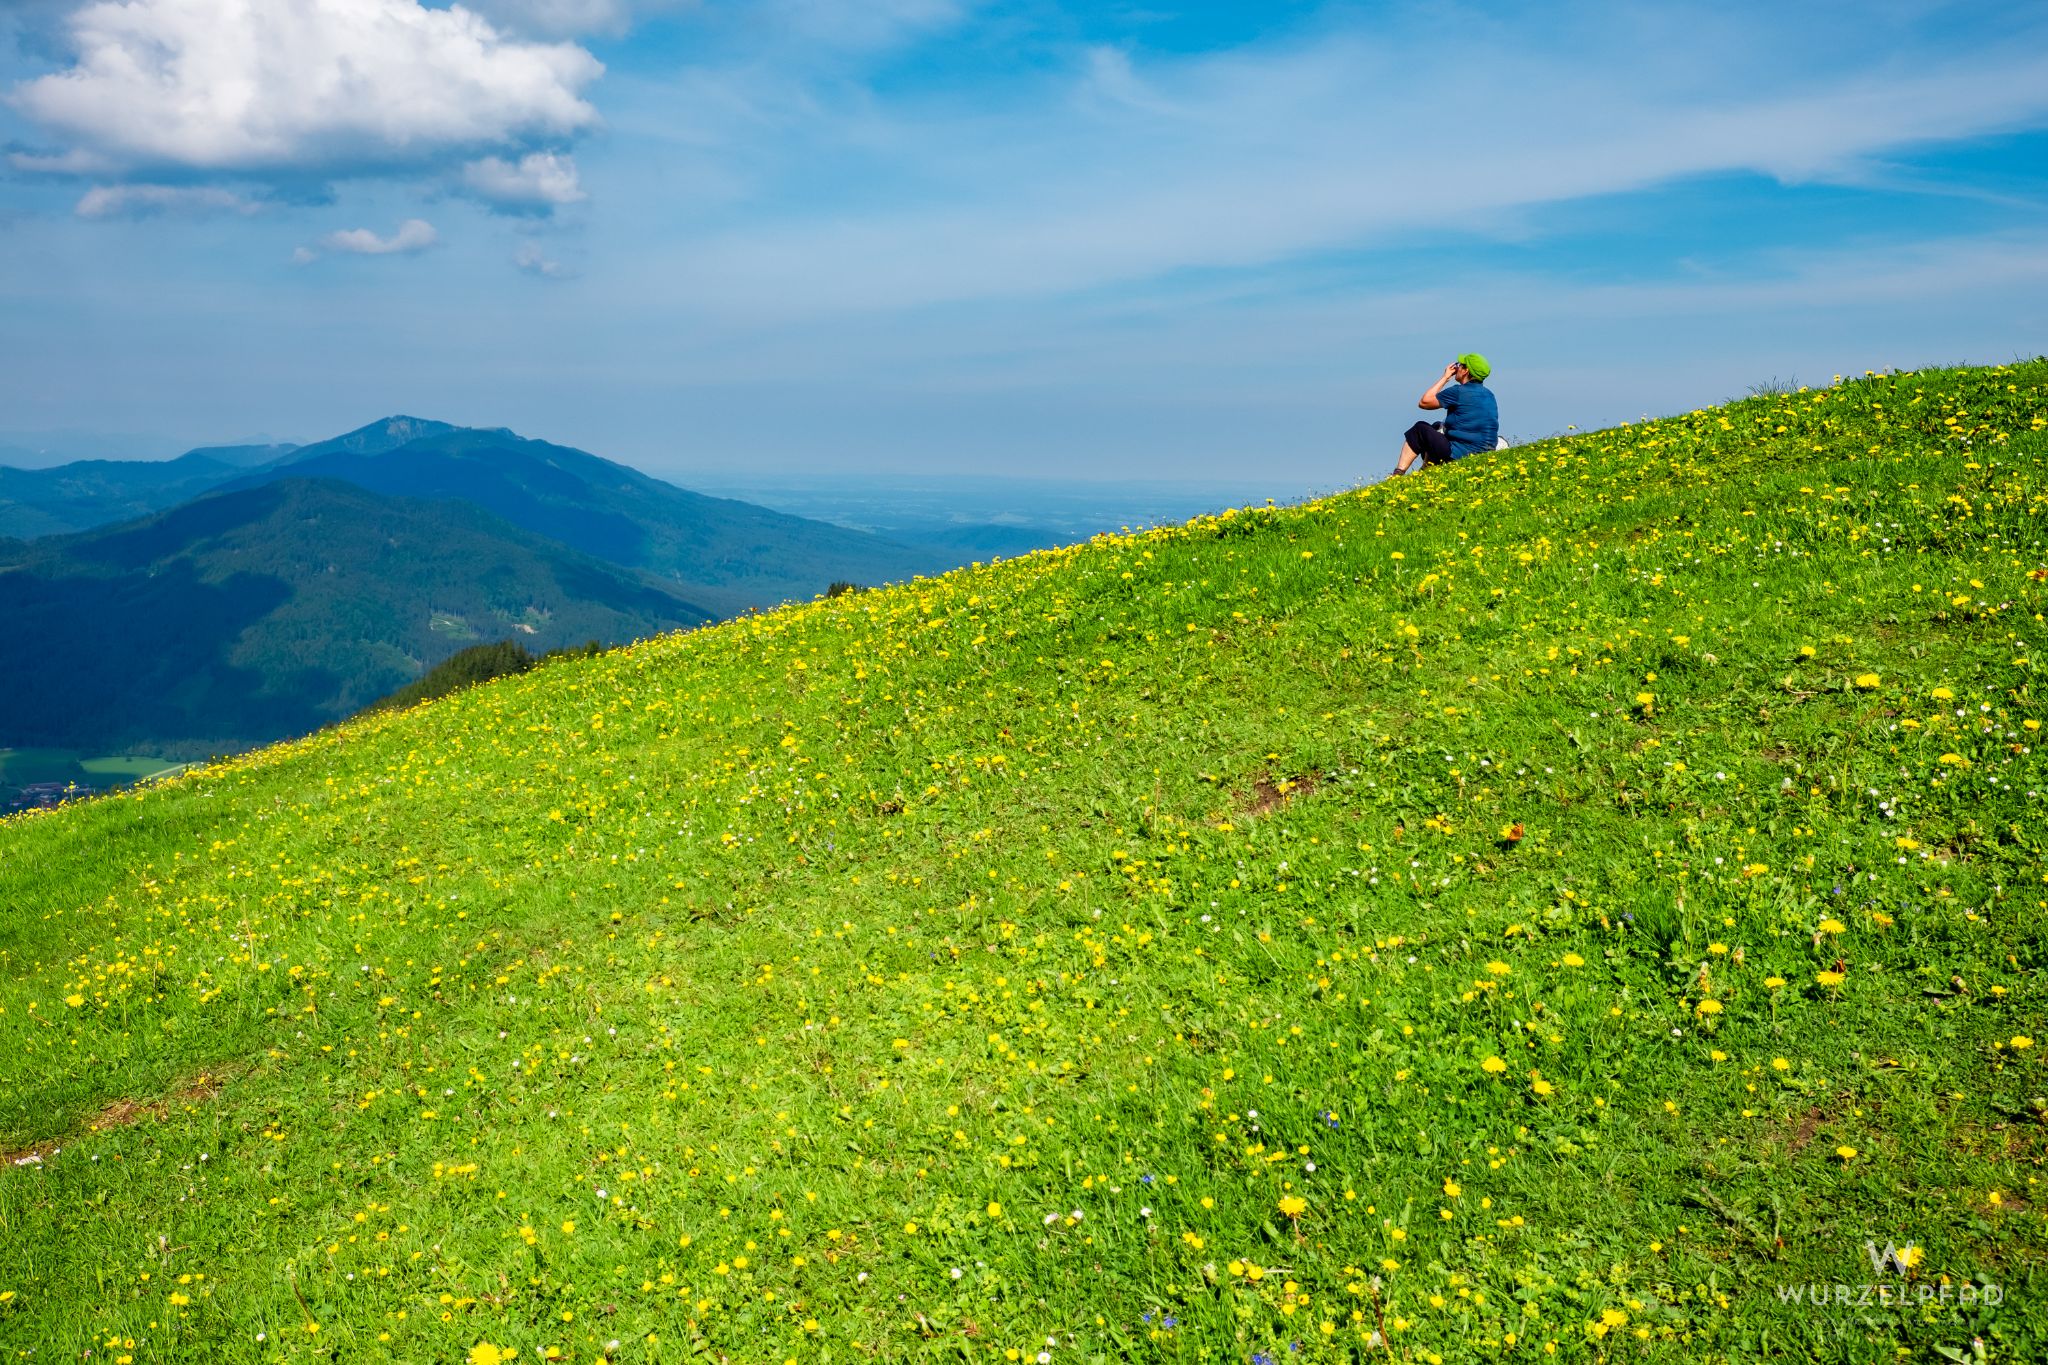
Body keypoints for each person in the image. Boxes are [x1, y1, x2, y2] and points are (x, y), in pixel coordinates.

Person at [1391, 353, 1497, 477]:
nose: (1456, 368)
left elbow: (1424, 402)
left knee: (1420, 429)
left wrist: (1445, 378)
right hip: (1485, 452)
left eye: (1459, 365)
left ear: (1465, 371)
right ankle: (1426, 472)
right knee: (1437, 427)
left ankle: (1398, 474)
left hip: (1461, 453)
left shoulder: (1458, 391)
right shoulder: (1489, 395)